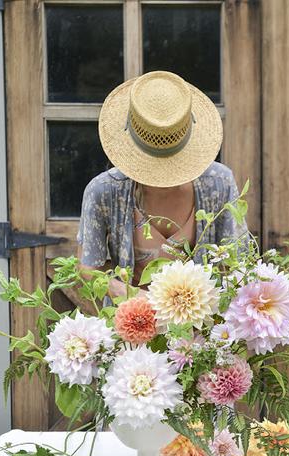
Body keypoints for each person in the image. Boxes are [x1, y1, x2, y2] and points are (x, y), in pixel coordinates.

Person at [77, 70, 247, 297]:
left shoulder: (218, 183)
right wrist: (130, 295)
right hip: (132, 322)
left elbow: (239, 263)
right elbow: (88, 269)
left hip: (202, 324)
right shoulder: (104, 191)